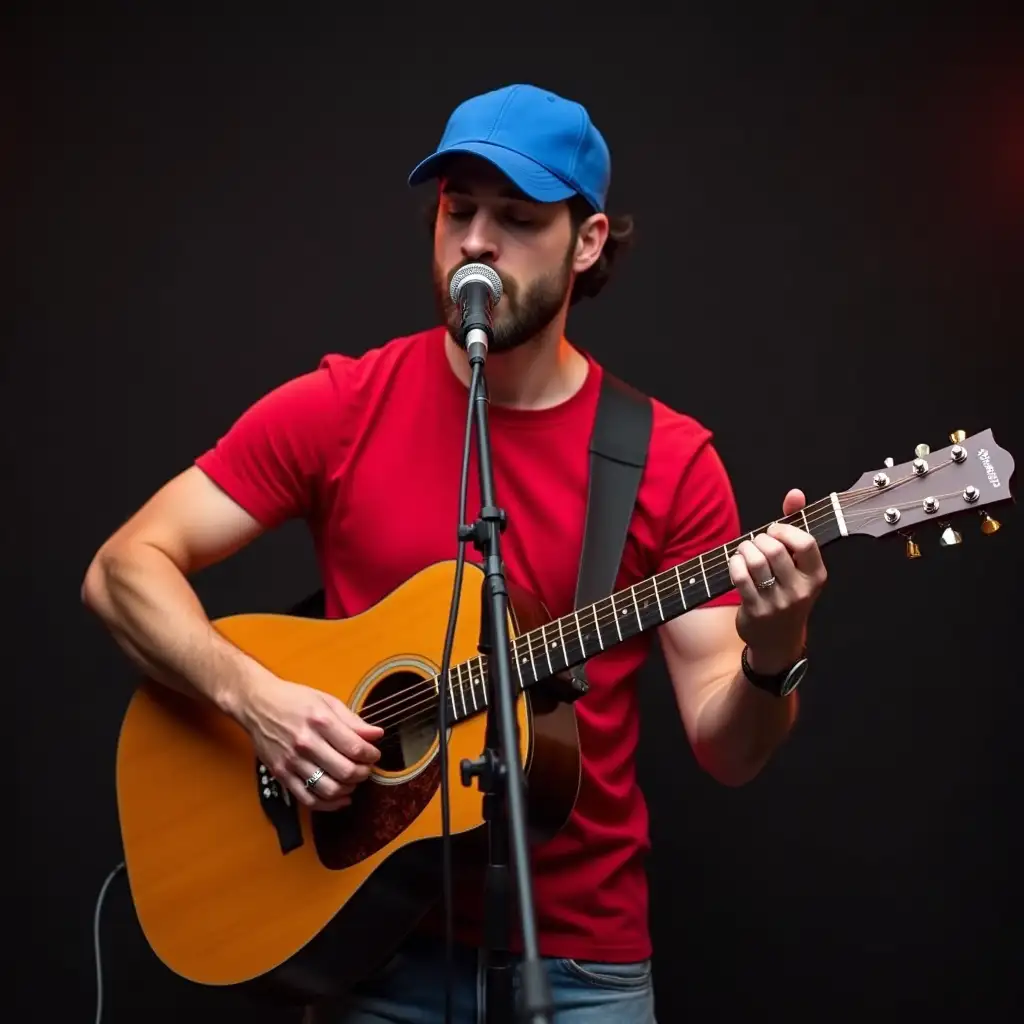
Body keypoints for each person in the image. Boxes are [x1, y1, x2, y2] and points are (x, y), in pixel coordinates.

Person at [82, 83, 828, 1024]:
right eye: (457, 210)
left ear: (587, 242)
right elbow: (123, 570)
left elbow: (729, 749)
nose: (477, 241)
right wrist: (257, 701)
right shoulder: (343, 405)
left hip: (579, 969)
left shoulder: (666, 461)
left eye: (516, 218)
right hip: (367, 951)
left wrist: (773, 651)